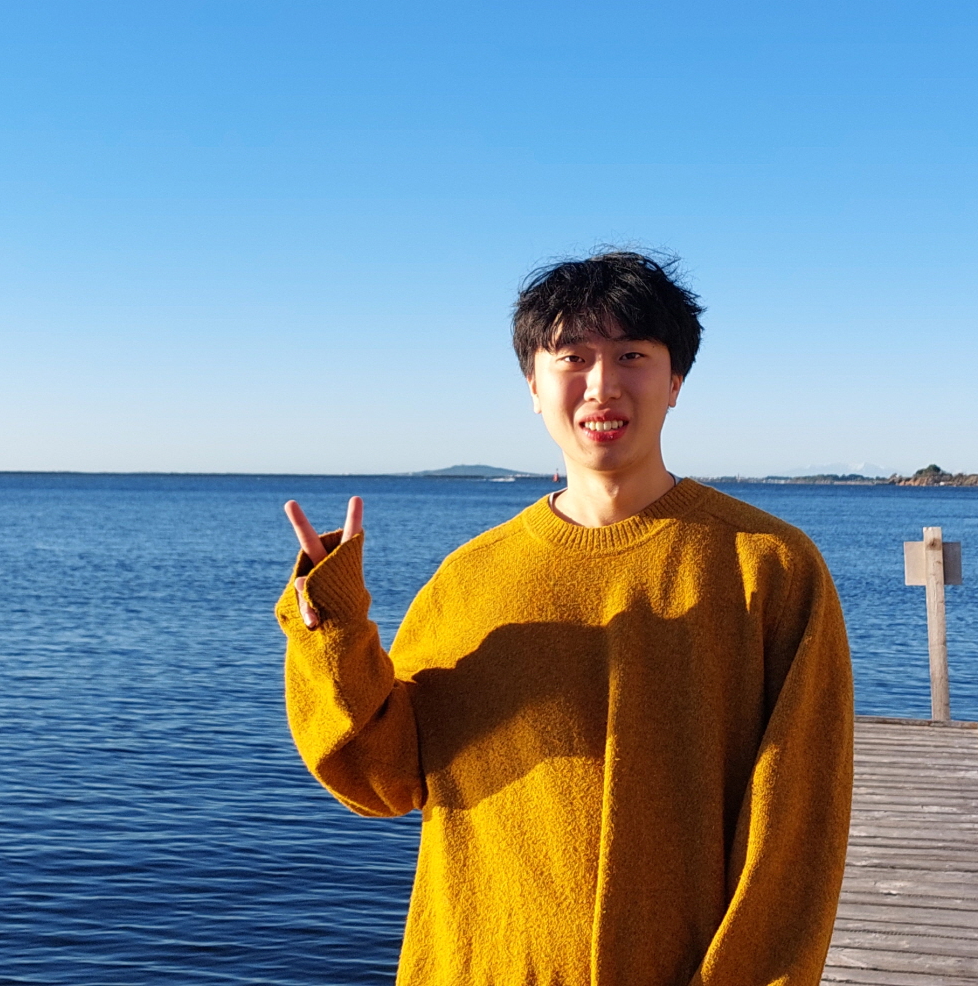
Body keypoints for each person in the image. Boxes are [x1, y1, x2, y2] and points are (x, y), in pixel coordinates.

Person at [274, 250, 853, 984]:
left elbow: (797, 832)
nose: (602, 384)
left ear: (676, 381)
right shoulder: (470, 579)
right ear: (533, 386)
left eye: (632, 355)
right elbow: (379, 776)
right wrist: (333, 626)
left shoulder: (770, 566)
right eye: (572, 357)